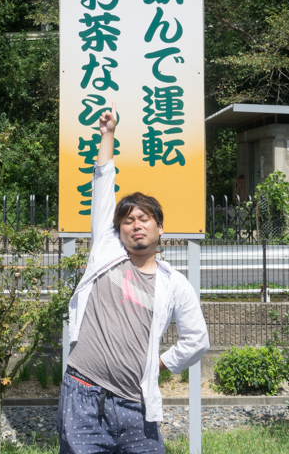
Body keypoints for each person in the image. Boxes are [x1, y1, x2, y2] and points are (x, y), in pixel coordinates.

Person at [57, 103, 209, 454]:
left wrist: (159, 364)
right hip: (82, 395)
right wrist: (107, 134)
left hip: (136, 404)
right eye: (128, 220)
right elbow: (103, 181)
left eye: (144, 219)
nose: (136, 225)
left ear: (160, 228)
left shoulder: (174, 284)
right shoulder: (107, 252)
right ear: (118, 230)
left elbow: (197, 340)